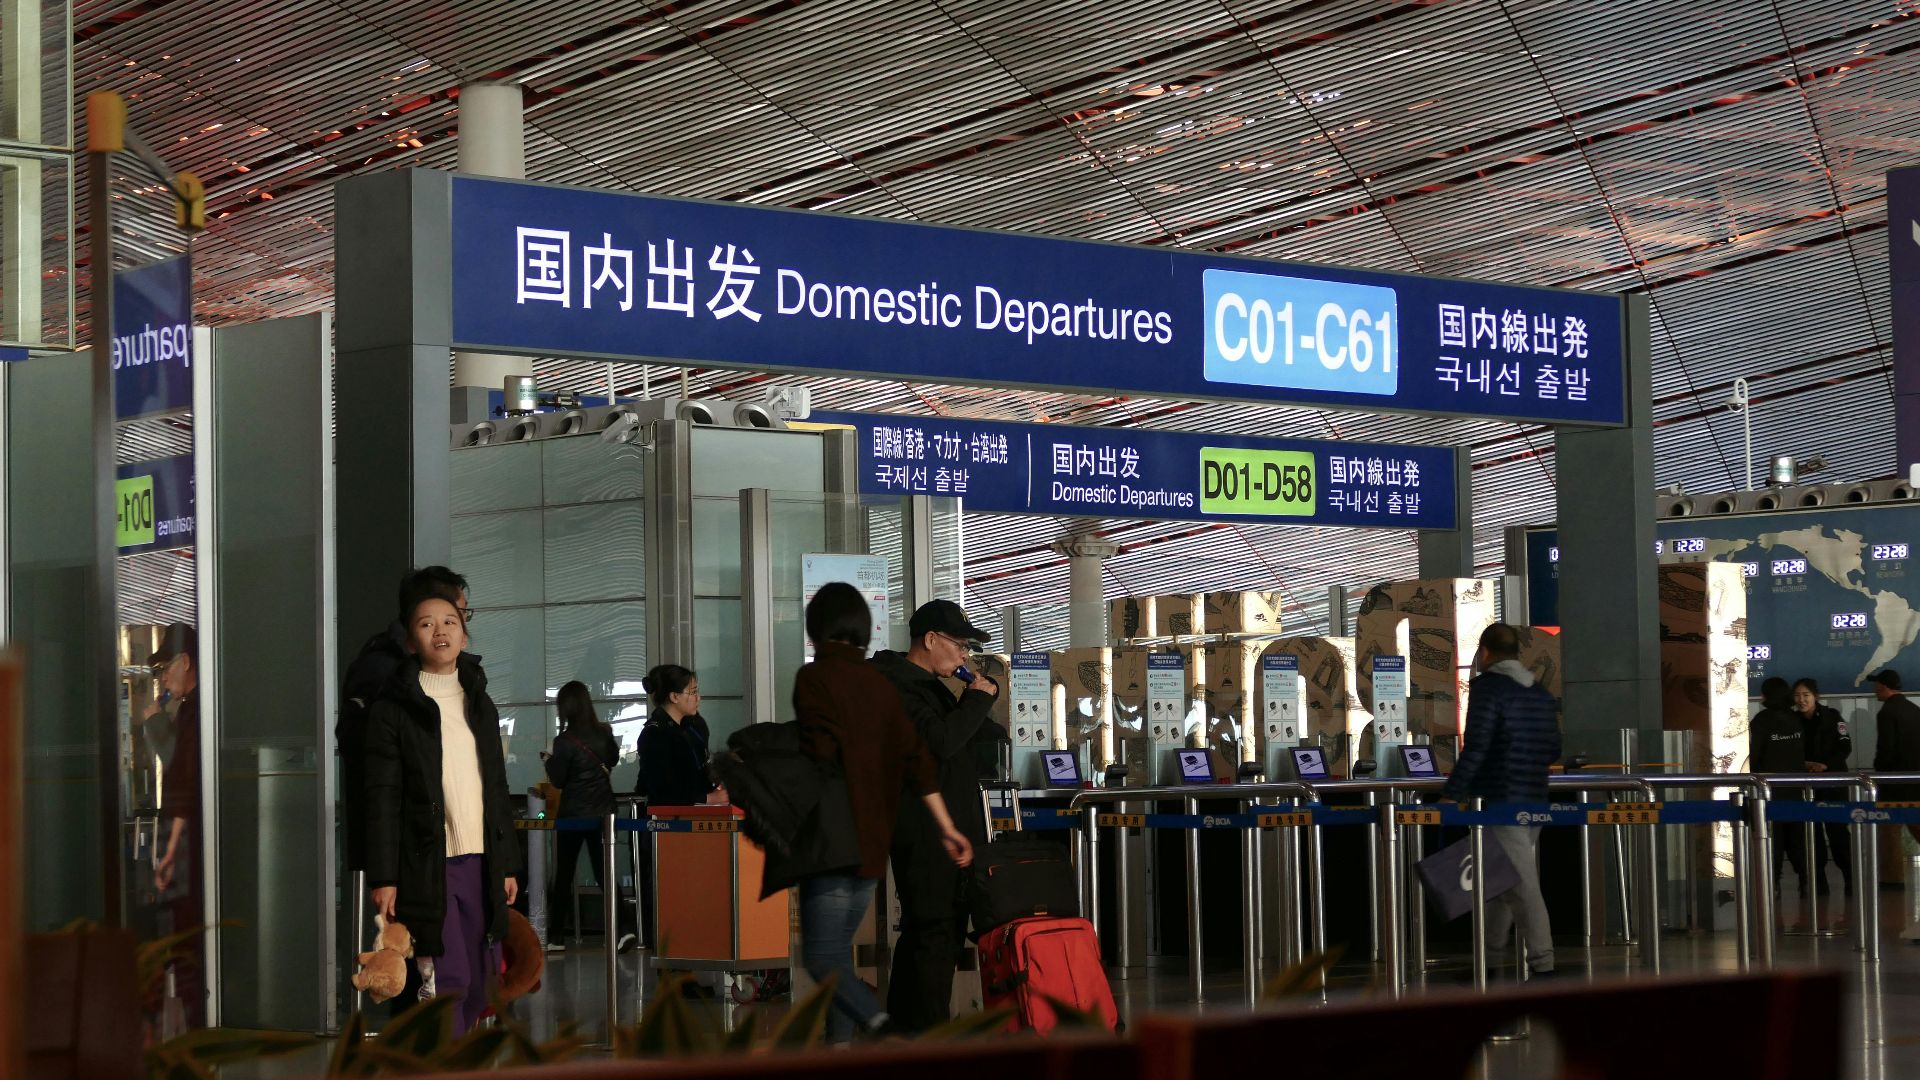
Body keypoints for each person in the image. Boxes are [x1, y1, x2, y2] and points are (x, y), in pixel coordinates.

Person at [793, 582, 973, 1042]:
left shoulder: (824, 681)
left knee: (826, 957)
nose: (965, 656)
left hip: (841, 834)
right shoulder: (886, 685)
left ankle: (878, 1032)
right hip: (867, 836)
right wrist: (947, 826)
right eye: (961, 644)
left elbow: (818, 754)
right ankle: (873, 1038)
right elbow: (922, 757)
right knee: (834, 953)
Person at [365, 582, 521, 1034]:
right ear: (411, 639)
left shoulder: (480, 703)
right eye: (427, 623)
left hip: (482, 860)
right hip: (426, 863)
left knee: (481, 982)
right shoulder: (393, 709)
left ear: (464, 636)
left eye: (450, 622)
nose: (440, 631)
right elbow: (381, 796)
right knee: (449, 978)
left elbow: (495, 786)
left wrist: (507, 863)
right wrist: (384, 877)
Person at [869, 599, 1007, 1031]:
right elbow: (939, 744)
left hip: (944, 831)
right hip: (924, 833)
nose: (964, 655)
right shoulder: (897, 686)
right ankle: (923, 1036)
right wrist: (975, 702)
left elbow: (979, 736)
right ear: (930, 640)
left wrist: (980, 698)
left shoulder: (927, 686)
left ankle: (910, 1035)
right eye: (960, 645)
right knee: (932, 934)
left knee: (936, 936)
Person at [1442, 622, 1562, 979]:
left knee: (1523, 886)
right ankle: (1489, 960)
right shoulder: (1538, 692)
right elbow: (1553, 747)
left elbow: (1477, 745)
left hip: (1500, 797)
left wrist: (1453, 791)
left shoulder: (1489, 690)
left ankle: (1543, 964)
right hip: (1535, 797)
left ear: (1485, 653)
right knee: (1499, 879)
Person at [339, 566, 468, 877]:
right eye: (459, 614)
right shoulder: (384, 674)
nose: (461, 627)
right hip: (406, 847)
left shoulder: (456, 676)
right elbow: (383, 768)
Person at [542, 681, 630, 951]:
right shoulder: (604, 733)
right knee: (606, 875)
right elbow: (613, 761)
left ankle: (556, 937)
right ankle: (622, 931)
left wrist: (547, 760)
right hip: (604, 814)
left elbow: (558, 780)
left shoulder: (564, 741)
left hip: (572, 816)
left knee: (564, 875)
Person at [147, 622, 205, 1027]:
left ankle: (194, 1026)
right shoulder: (198, 707)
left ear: (186, 662)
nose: (164, 676)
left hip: (193, 846)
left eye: (166, 666)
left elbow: (180, 779)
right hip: (203, 841)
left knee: (186, 939)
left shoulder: (191, 711)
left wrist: (168, 850)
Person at [1751, 676, 1812, 920]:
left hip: (1770, 792)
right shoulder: (1796, 720)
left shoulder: (1761, 721)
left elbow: (1754, 756)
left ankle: (1772, 884)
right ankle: (1807, 883)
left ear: (1766, 696)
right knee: (1798, 840)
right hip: (1797, 790)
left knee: (1772, 841)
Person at [1794, 677, 1854, 902]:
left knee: (1838, 832)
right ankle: (1818, 882)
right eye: (1798, 696)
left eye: (1806, 695)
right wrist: (1805, 765)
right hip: (1805, 783)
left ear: (1815, 696)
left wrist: (1825, 765)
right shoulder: (1791, 721)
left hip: (1832, 783)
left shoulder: (1832, 717)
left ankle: (1850, 878)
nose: (1801, 700)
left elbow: (1844, 746)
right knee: (1812, 834)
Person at [636, 665, 715, 808]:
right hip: (669, 820)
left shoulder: (695, 726)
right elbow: (662, 789)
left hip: (700, 813)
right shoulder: (654, 734)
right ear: (674, 696)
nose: (698, 698)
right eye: (693, 692)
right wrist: (706, 798)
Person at [1871, 670, 1920, 846]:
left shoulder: (1887, 712)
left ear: (1884, 686)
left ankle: (1892, 875)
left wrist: (1878, 773)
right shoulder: (1914, 709)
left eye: (1876, 684)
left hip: (1893, 786)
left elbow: (1886, 751)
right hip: (1915, 783)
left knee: (1889, 839)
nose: (1874, 689)